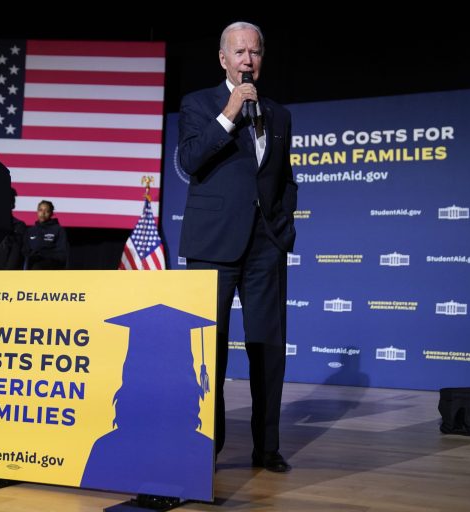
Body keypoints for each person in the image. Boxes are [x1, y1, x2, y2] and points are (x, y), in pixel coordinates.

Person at [177, 21, 296, 473]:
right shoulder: (199, 104)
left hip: (266, 245)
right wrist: (228, 112)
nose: (249, 59)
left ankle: (266, 448)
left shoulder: (280, 115)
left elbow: (283, 178)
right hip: (213, 246)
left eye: (256, 51)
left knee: (267, 348)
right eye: (240, 51)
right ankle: (207, 445)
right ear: (224, 59)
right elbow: (190, 160)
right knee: (211, 348)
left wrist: (283, 227)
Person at [24, 200, 69, 270]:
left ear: (51, 213)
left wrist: (43, 255)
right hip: (31, 266)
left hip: (51, 267)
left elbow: (62, 255)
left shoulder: (58, 230)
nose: (43, 213)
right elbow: (25, 251)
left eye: (47, 211)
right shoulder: (30, 231)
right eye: (40, 210)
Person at [0, 187, 27, 270]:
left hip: (6, 273)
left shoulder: (18, 226)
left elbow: (16, 254)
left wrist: (8, 273)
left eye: (12, 199)